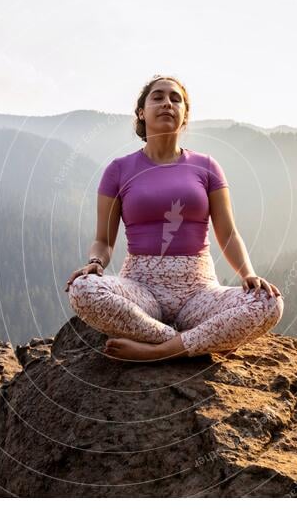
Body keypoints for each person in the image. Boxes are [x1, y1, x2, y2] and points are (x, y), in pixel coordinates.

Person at [65, 74, 283, 362]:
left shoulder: (207, 167)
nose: (167, 102)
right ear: (142, 113)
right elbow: (103, 241)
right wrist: (94, 264)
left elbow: (228, 233)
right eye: (157, 97)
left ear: (184, 116)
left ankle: (160, 351)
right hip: (141, 290)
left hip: (199, 292)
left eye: (175, 98)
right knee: (82, 289)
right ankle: (194, 343)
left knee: (269, 302)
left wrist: (248, 275)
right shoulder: (118, 170)